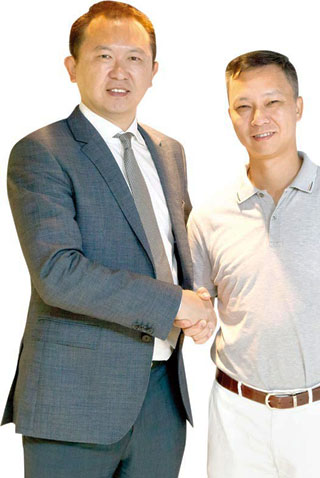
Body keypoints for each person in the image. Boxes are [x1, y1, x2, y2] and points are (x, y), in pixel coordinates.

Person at [1, 2, 216, 477]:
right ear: (71, 67)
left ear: (153, 71)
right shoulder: (40, 152)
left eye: (135, 58)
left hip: (162, 400)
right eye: (103, 56)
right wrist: (174, 304)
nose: (120, 71)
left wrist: (199, 301)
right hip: (73, 402)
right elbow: (58, 273)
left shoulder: (170, 151)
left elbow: (170, 252)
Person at [187, 50, 320, 477]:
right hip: (235, 416)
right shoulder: (208, 217)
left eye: (273, 102)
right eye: (243, 106)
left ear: (298, 107)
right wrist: (195, 319)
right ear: (230, 116)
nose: (258, 118)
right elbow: (197, 306)